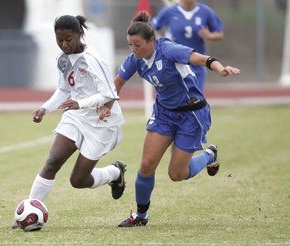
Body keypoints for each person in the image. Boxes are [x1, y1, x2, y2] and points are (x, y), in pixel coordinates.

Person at [100, 11, 240, 227]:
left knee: (176, 174)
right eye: (130, 45)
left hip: (191, 114)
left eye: (137, 45)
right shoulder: (135, 60)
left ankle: (209, 155)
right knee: (146, 165)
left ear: (152, 41)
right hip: (164, 113)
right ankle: (140, 216)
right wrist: (107, 107)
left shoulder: (169, 50)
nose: (133, 50)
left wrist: (221, 68)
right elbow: (117, 83)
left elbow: (203, 59)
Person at [12, 15, 126, 228]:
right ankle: (31, 210)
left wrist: (80, 103)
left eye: (69, 39)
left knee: (78, 181)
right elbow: (64, 89)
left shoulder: (93, 59)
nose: (64, 44)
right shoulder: (62, 59)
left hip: (101, 122)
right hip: (76, 116)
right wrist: (45, 107)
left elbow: (109, 93)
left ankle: (115, 172)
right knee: (52, 161)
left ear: (79, 35)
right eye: (59, 39)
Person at [151, 0, 225, 92]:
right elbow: (152, 28)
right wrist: (163, 41)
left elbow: (219, 34)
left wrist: (209, 35)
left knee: (195, 99)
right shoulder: (169, 11)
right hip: (174, 64)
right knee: (173, 98)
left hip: (196, 63)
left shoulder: (206, 11)